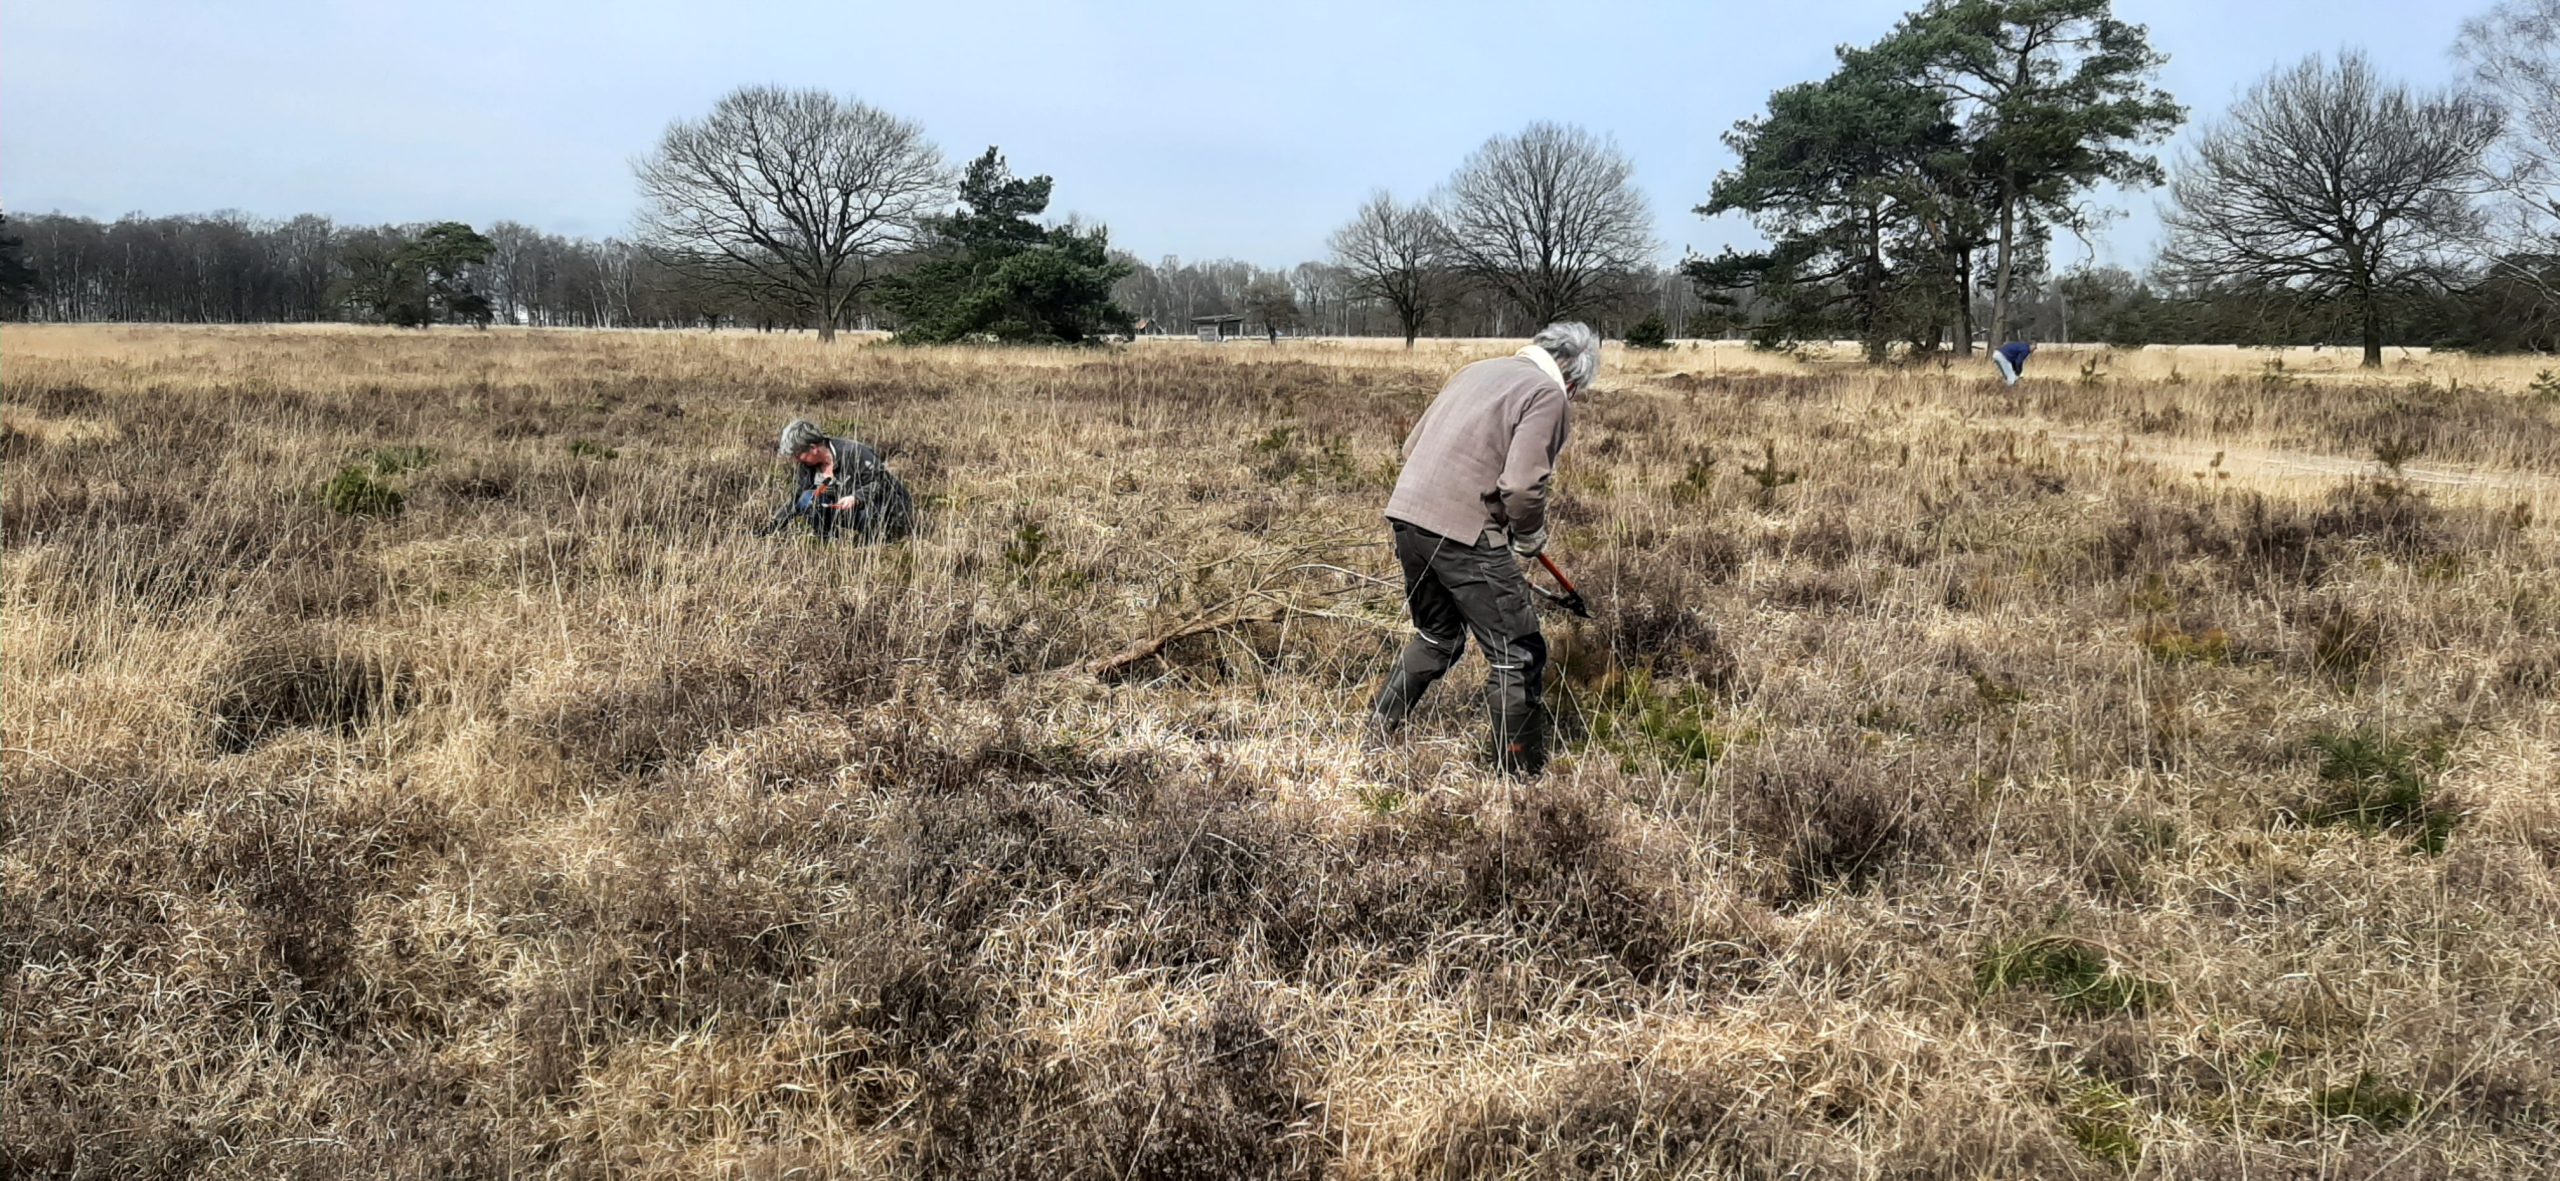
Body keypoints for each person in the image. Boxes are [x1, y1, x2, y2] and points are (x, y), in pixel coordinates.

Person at [1368, 322, 1599, 775]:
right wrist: (1528, 534)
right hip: (1463, 531)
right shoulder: (1548, 395)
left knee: (1438, 637)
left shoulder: (1477, 370)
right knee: (1519, 654)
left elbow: (1413, 444)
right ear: (1572, 380)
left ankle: (1376, 734)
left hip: (1407, 515)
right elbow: (1521, 485)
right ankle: (1518, 777)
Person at [770, 418, 915, 541]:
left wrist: (856, 497)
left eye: (797, 454)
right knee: (809, 500)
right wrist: (773, 527)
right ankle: (828, 543)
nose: (796, 460)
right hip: (847, 510)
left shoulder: (855, 452)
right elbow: (798, 501)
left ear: (813, 448)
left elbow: (882, 484)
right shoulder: (807, 466)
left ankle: (882, 542)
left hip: (887, 510)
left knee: (870, 513)